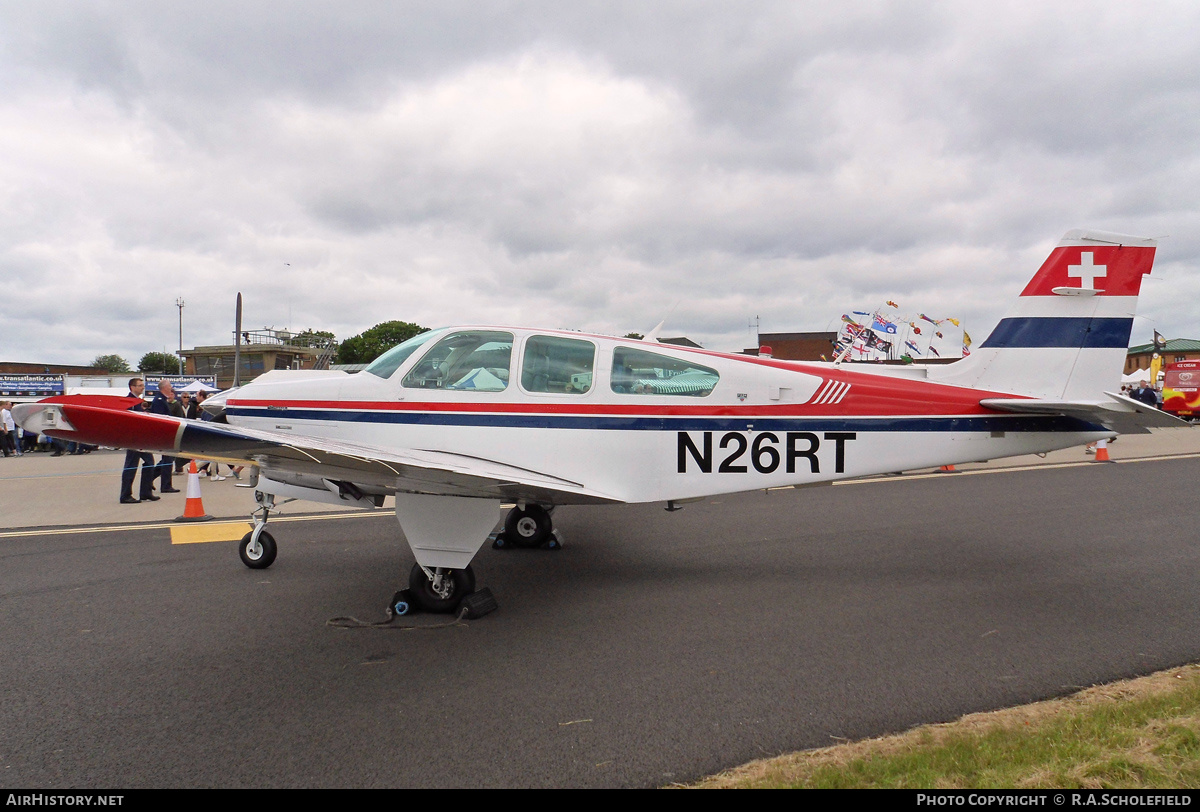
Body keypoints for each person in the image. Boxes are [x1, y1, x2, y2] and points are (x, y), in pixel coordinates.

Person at [119, 378, 159, 503]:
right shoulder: (129, 401)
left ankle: (146, 492)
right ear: (132, 387)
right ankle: (125, 495)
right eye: (140, 385)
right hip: (133, 439)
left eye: (143, 385)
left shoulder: (137, 401)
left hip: (140, 439)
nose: (143, 387)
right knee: (131, 466)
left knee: (149, 463)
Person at [149, 381, 183, 493]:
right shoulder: (159, 401)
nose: (171, 388)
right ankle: (165, 485)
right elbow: (160, 419)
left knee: (167, 459)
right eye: (169, 386)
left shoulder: (162, 399)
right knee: (167, 459)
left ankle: (150, 480)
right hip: (164, 435)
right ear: (164, 388)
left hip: (166, 435)